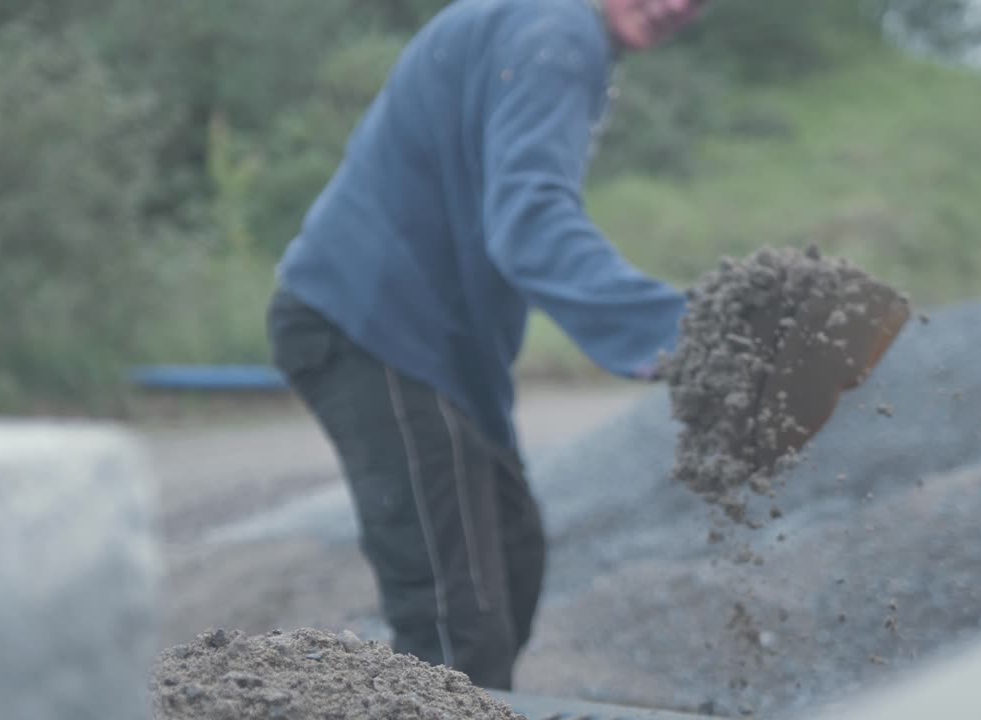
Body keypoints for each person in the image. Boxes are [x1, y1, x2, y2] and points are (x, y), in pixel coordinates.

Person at [266, 0, 709, 690]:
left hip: (441, 347)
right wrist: (690, 335)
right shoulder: (559, 34)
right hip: (372, 325)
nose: (680, 4)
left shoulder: (545, 25)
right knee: (454, 628)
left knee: (512, 560)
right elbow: (530, 223)